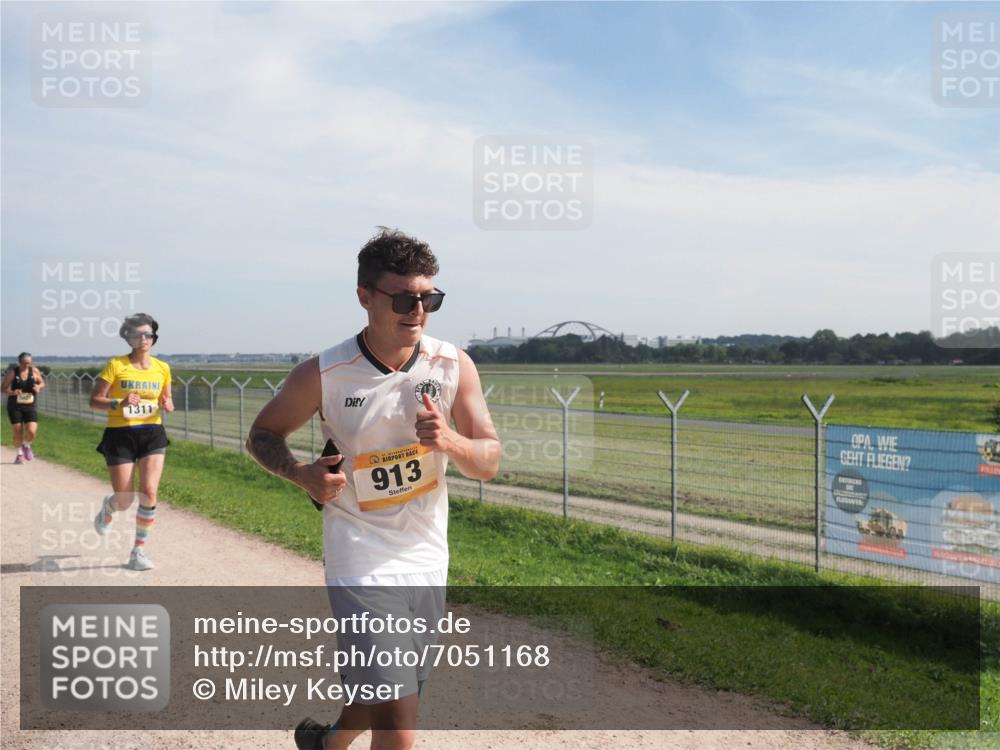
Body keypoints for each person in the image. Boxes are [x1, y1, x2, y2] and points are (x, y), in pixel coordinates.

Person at [246, 228, 500, 750]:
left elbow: (488, 460)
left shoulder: (453, 365)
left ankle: (328, 743)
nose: (419, 310)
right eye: (405, 298)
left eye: (430, 298)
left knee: (391, 689)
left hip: (427, 553)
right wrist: (300, 473)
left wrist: (450, 441)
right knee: (400, 719)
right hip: (358, 551)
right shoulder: (325, 373)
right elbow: (262, 436)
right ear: (365, 297)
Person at [89, 313, 174, 571]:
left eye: (148, 334)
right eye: (138, 334)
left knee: (149, 492)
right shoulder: (116, 365)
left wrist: (167, 404)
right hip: (120, 434)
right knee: (125, 499)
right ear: (128, 337)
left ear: (154, 338)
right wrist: (119, 402)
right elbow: (95, 400)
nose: (144, 339)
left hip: (152, 432)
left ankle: (138, 551)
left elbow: (167, 400)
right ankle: (109, 507)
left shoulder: (163, 368)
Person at [3, 352, 45, 464]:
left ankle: (26, 445)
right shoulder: (12, 373)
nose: (27, 365)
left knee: (31, 431)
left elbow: (42, 383)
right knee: (17, 431)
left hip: (30, 405)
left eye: (29, 363)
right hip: (15, 406)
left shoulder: (34, 371)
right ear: (19, 362)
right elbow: (3, 389)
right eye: (24, 363)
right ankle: (19, 454)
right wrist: (12, 392)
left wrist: (38, 387)